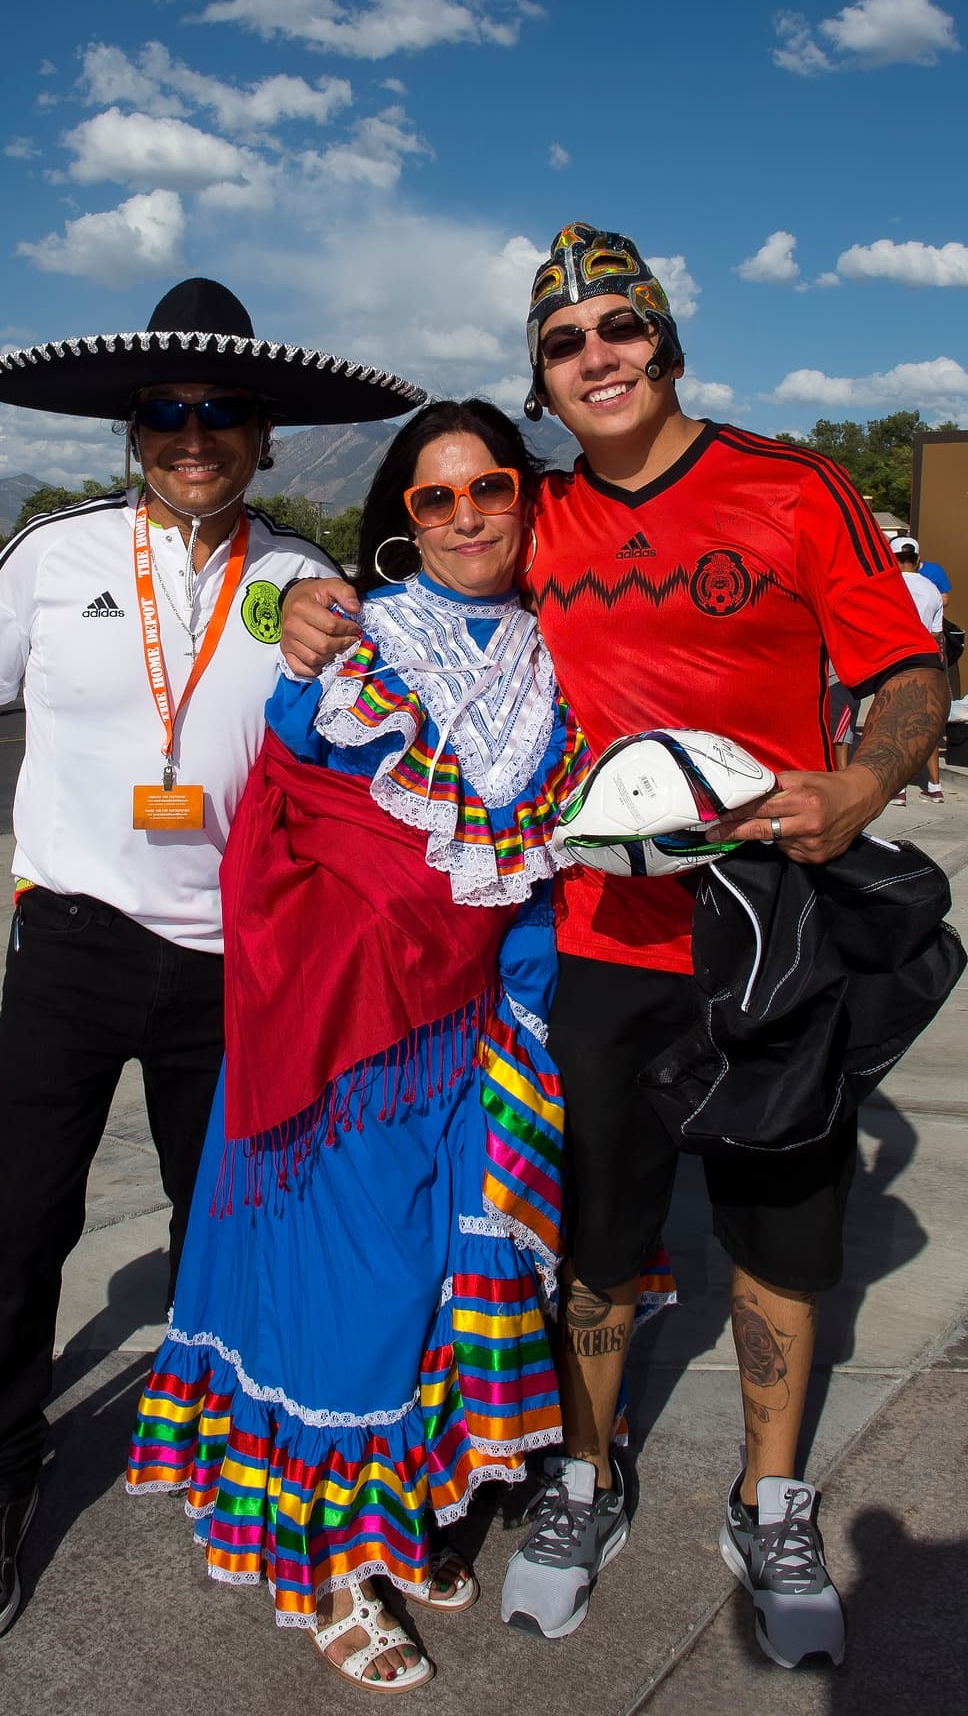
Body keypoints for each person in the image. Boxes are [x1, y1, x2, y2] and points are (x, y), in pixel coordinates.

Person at [279, 223, 948, 1671]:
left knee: (783, 1239)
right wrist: (310, 601)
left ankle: (771, 1499)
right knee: (596, 1242)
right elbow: (426, 591)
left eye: (619, 329)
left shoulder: (793, 487)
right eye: (566, 344)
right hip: (597, 945)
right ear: (542, 379)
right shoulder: (542, 518)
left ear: (666, 339)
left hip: (772, 934)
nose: (598, 358)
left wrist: (866, 779)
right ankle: (584, 1475)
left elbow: (907, 665)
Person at [0, 277, 424, 1648]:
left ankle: (225, 1462)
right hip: (70, 934)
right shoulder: (50, 557)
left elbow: (367, 763)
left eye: (224, 414)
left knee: (228, 1226)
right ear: (136, 429)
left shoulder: (307, 579)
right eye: (170, 414)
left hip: (237, 959)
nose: (196, 435)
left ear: (260, 433)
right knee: (19, 1226)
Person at [126, 400, 657, 1693]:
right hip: (356, 1036)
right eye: (435, 498)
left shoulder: (553, 661)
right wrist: (302, 667)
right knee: (355, 1306)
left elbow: (538, 866)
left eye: (489, 490)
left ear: (525, 501)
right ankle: (324, 1573)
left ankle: (387, 1516)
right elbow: (295, 780)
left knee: (435, 1291)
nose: (467, 515)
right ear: (400, 520)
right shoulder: (362, 638)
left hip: (478, 1033)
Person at [890, 536, 946, 802]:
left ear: (891, 558)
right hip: (925, 660)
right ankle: (935, 786)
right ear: (918, 559)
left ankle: (898, 788)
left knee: (894, 723)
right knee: (927, 724)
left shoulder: (888, 586)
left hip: (894, 661)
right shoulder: (932, 589)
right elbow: (936, 633)